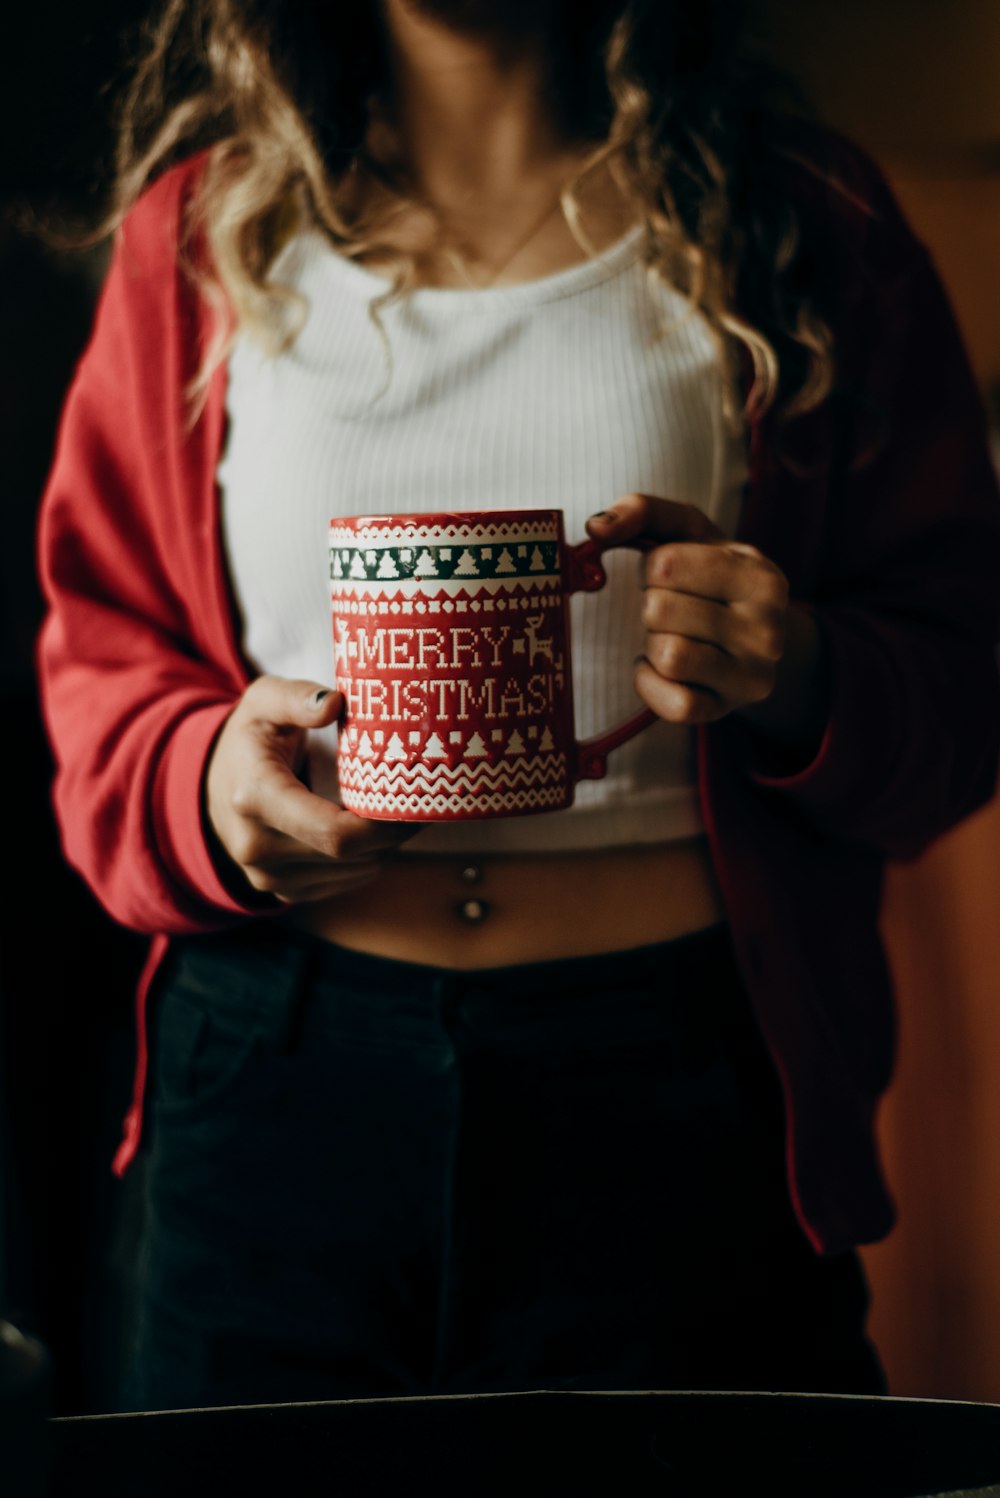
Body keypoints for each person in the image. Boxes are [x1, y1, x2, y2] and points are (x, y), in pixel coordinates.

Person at [36, 0, 1000, 1412]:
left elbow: (962, 679)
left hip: (681, 1089)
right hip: (274, 1086)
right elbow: (99, 665)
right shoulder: (198, 235)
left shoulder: (810, 217)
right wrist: (203, 783)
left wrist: (799, 670)